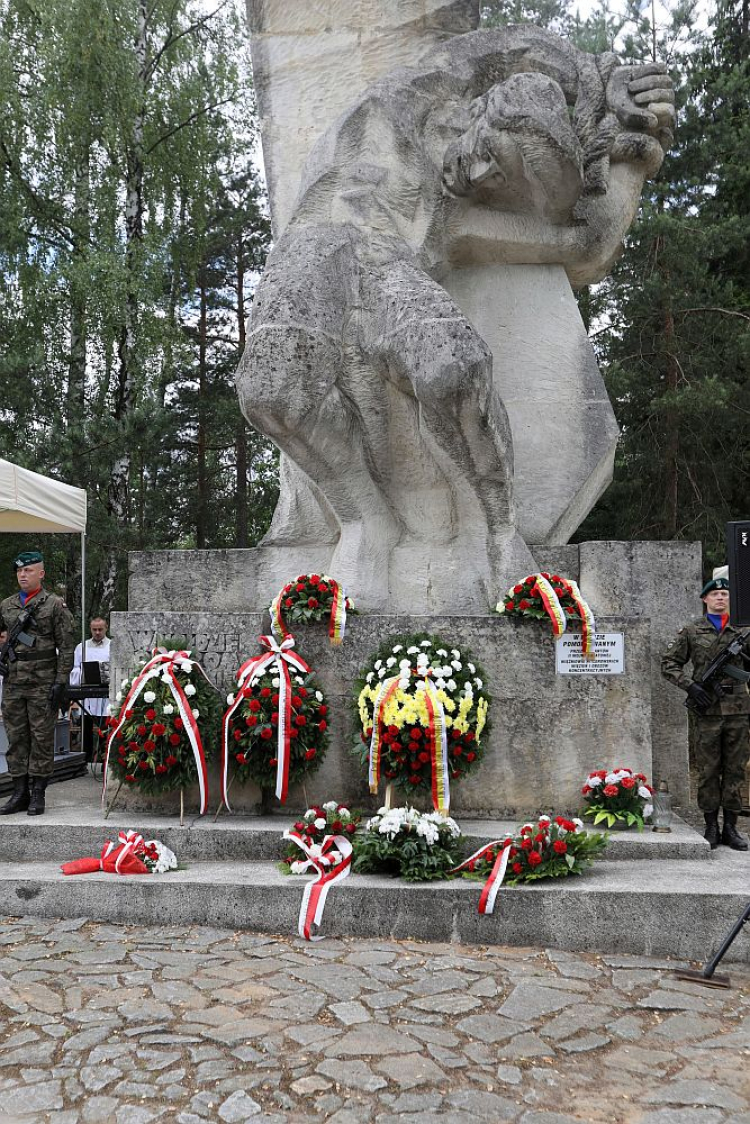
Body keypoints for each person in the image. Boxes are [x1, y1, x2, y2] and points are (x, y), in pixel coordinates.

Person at [661, 575, 749, 850]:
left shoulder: (742, 631)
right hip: (706, 710)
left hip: (738, 710)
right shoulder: (691, 631)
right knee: (709, 770)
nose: (721, 598)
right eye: (715, 595)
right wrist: (691, 686)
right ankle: (711, 826)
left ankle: (731, 828)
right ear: (705, 599)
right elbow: (669, 664)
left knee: (735, 770)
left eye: (725, 595)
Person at [0, 551, 75, 816]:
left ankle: (38, 794)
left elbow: (66, 647)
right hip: (13, 683)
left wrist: (61, 681)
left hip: (43, 683)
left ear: (41, 574)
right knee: (16, 738)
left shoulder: (54, 605)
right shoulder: (6, 605)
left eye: (29, 570)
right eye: (20, 571)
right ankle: (18, 793)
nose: (23, 575)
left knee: (42, 738)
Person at [69, 617, 110, 762]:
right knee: (86, 730)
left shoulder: (113, 646)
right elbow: (75, 669)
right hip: (87, 696)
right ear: (90, 629)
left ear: (106, 628)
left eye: (100, 629)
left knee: (106, 729)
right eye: (94, 629)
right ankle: (85, 760)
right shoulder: (82, 647)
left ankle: (105, 761)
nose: (97, 632)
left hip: (106, 696)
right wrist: (84, 675)